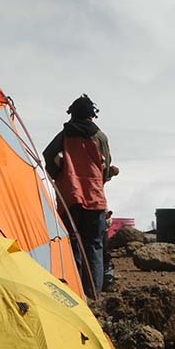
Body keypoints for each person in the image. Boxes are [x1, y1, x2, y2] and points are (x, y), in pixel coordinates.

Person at [43, 94, 120, 300]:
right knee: (94, 245)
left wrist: (59, 175)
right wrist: (102, 178)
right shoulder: (100, 137)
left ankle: (76, 294)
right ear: (91, 116)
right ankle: (94, 293)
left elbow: (47, 155)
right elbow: (105, 165)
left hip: (70, 198)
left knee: (73, 245)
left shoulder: (65, 135)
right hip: (94, 198)